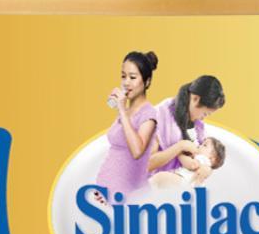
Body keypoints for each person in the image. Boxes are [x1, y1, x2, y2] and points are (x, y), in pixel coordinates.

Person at [95, 51, 160, 194]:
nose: (126, 82)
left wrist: (122, 111)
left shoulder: (149, 114)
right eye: (123, 76)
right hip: (104, 190)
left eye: (132, 77)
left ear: (147, 81)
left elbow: (137, 151)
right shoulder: (126, 110)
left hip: (127, 195)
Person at [147, 74, 226, 177]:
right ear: (195, 99)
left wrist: (206, 169)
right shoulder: (159, 115)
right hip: (155, 182)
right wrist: (180, 147)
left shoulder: (197, 126)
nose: (202, 118)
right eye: (204, 114)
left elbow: (203, 156)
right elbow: (147, 164)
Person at [149, 135, 225, 188]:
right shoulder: (203, 163)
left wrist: (179, 154)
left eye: (204, 145)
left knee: (161, 177)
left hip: (184, 182)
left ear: (213, 158)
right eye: (202, 144)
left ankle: (146, 189)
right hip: (186, 185)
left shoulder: (203, 159)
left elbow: (192, 165)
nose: (200, 146)